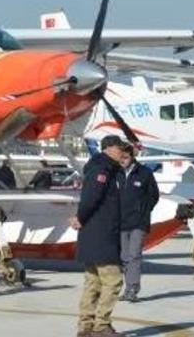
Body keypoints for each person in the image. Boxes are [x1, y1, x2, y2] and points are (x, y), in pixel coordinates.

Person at [72, 135, 125, 337]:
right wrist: (80, 217)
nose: (122, 152)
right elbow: (90, 198)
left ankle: (85, 326)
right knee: (113, 281)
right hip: (101, 234)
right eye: (120, 148)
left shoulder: (103, 167)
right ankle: (101, 325)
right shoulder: (102, 169)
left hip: (94, 235)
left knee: (93, 282)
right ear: (109, 148)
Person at [116, 142, 159, 303]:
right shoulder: (117, 173)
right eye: (120, 158)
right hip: (121, 221)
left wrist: (143, 211)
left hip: (138, 223)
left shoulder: (145, 173)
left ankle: (133, 288)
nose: (123, 160)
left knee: (134, 255)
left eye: (125, 157)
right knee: (124, 256)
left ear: (132, 157)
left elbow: (154, 195)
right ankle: (127, 288)